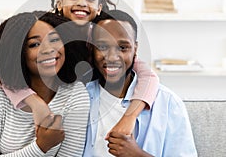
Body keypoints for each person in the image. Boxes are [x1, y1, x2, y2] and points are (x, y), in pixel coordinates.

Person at [4, 0, 160, 137]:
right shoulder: (45, 32)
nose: (81, 3)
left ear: (99, 8)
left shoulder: (105, 37)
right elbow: (6, 71)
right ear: (59, 3)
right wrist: (34, 103)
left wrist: (130, 116)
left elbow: (149, 77)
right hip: (42, 113)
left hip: (80, 116)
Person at [0, 11, 90, 156]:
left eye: (54, 40)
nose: (49, 49)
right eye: (34, 44)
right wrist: (40, 147)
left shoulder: (75, 93)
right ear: (17, 53)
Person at [83, 9, 197, 156]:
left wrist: (136, 154)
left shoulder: (168, 103)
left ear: (135, 49)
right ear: (91, 49)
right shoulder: (80, 98)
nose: (112, 57)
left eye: (123, 47)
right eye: (103, 47)